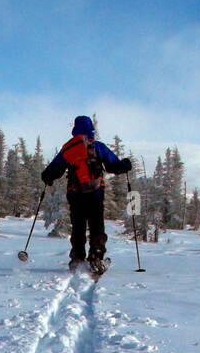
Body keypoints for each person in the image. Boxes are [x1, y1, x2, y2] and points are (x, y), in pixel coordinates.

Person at [41, 116, 132, 272]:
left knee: (78, 225)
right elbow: (114, 166)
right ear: (91, 129)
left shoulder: (68, 148)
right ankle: (96, 256)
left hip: (75, 194)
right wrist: (125, 165)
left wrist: (47, 177)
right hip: (95, 192)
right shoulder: (97, 146)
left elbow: (54, 169)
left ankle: (77, 257)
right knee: (96, 225)